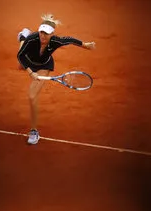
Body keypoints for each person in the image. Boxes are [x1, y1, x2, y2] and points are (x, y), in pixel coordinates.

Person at [17, 14, 96, 145]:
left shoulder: (55, 41)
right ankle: (23, 36)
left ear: (52, 34)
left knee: (32, 97)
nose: (43, 36)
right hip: (30, 60)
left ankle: (34, 131)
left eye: (46, 34)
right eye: (41, 32)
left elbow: (70, 40)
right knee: (22, 51)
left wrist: (86, 45)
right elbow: (20, 56)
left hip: (44, 65)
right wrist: (30, 72)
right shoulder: (33, 39)